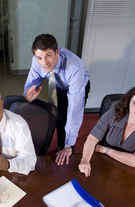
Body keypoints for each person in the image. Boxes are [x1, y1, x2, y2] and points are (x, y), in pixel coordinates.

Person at [24, 33, 90, 166]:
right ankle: (61, 144)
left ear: (57, 52)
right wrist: (28, 96)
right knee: (57, 117)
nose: (44, 63)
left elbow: (74, 111)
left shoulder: (74, 69)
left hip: (77, 86)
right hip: (57, 85)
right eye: (39, 58)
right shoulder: (37, 61)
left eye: (48, 55)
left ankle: (67, 147)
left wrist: (68, 145)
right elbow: (30, 83)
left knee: (68, 116)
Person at [78, 86, 135, 177]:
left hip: (126, 168)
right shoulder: (114, 113)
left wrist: (104, 150)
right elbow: (91, 138)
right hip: (102, 160)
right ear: (129, 103)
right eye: (134, 103)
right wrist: (85, 160)